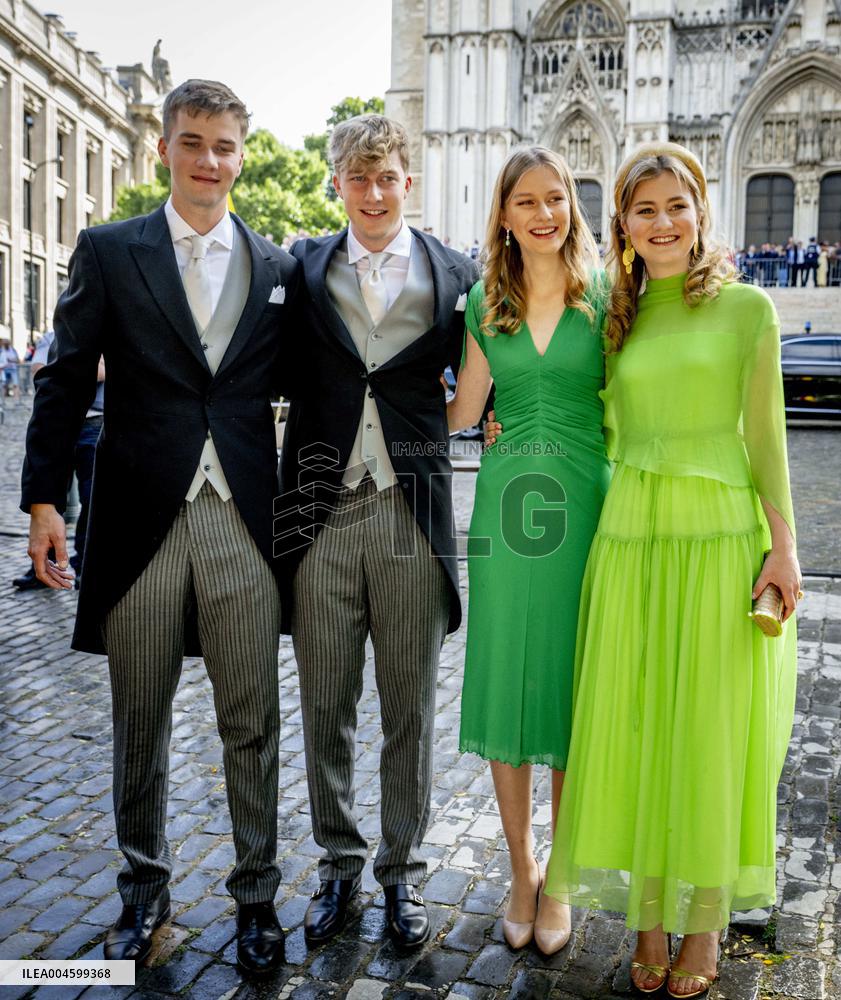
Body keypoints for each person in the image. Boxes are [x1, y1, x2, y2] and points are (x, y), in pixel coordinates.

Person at [21, 79, 300, 974]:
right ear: (164, 150)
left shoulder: (280, 268)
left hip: (244, 527)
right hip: (138, 521)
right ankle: (144, 898)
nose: (207, 161)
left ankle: (257, 899)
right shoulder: (109, 250)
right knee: (138, 722)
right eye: (192, 142)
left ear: (240, 156)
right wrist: (41, 504)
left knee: (250, 724)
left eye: (223, 145)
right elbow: (63, 379)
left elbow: (329, 385)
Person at [541, 142, 800, 999]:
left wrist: (783, 546)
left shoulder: (747, 309)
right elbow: (583, 419)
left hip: (718, 535)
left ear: (700, 212)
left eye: (675, 206)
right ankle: (647, 920)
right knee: (643, 722)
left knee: (709, 731)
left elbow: (765, 438)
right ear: (621, 222)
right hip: (630, 539)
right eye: (643, 209)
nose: (661, 223)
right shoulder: (610, 317)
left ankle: (704, 926)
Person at [277, 114, 478, 949]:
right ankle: (338, 865)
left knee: (408, 711)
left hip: (411, 519)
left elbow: (488, 376)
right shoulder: (296, 267)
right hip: (320, 514)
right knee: (327, 707)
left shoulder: (457, 273)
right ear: (337, 184)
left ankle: (401, 873)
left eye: (386, 177)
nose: (372, 192)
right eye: (356, 178)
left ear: (408, 182)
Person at [446, 146, 609, 954]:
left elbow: (636, 397)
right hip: (510, 511)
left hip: (589, 506)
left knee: (576, 685)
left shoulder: (609, 294)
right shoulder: (483, 301)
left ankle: (565, 875)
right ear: (504, 216)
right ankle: (521, 868)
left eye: (557, 198)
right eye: (527, 202)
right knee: (507, 680)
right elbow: (462, 410)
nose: (544, 213)